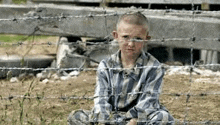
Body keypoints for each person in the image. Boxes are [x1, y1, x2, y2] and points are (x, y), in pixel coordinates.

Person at [68, 12, 174, 125]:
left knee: (164, 118)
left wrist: (133, 121)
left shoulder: (153, 67)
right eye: (125, 37)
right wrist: (103, 120)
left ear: (146, 39)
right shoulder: (106, 66)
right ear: (116, 36)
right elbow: (101, 98)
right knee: (76, 116)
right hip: (111, 117)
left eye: (138, 39)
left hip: (138, 119)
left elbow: (149, 101)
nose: (131, 44)